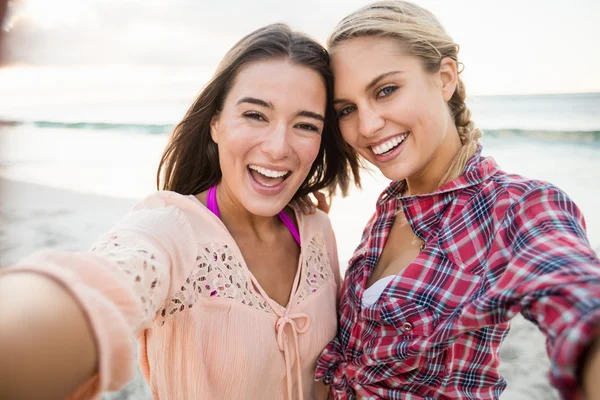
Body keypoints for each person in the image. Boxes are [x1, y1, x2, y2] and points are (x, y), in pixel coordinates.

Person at [0, 23, 361, 400]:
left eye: (305, 124)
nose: (277, 147)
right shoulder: (171, 229)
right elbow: (105, 280)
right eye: (255, 115)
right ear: (216, 123)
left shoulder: (318, 229)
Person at [311, 2, 600, 399]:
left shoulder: (514, 206)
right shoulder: (391, 207)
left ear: (445, 78)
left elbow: (578, 298)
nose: (367, 126)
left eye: (386, 90)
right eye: (347, 109)